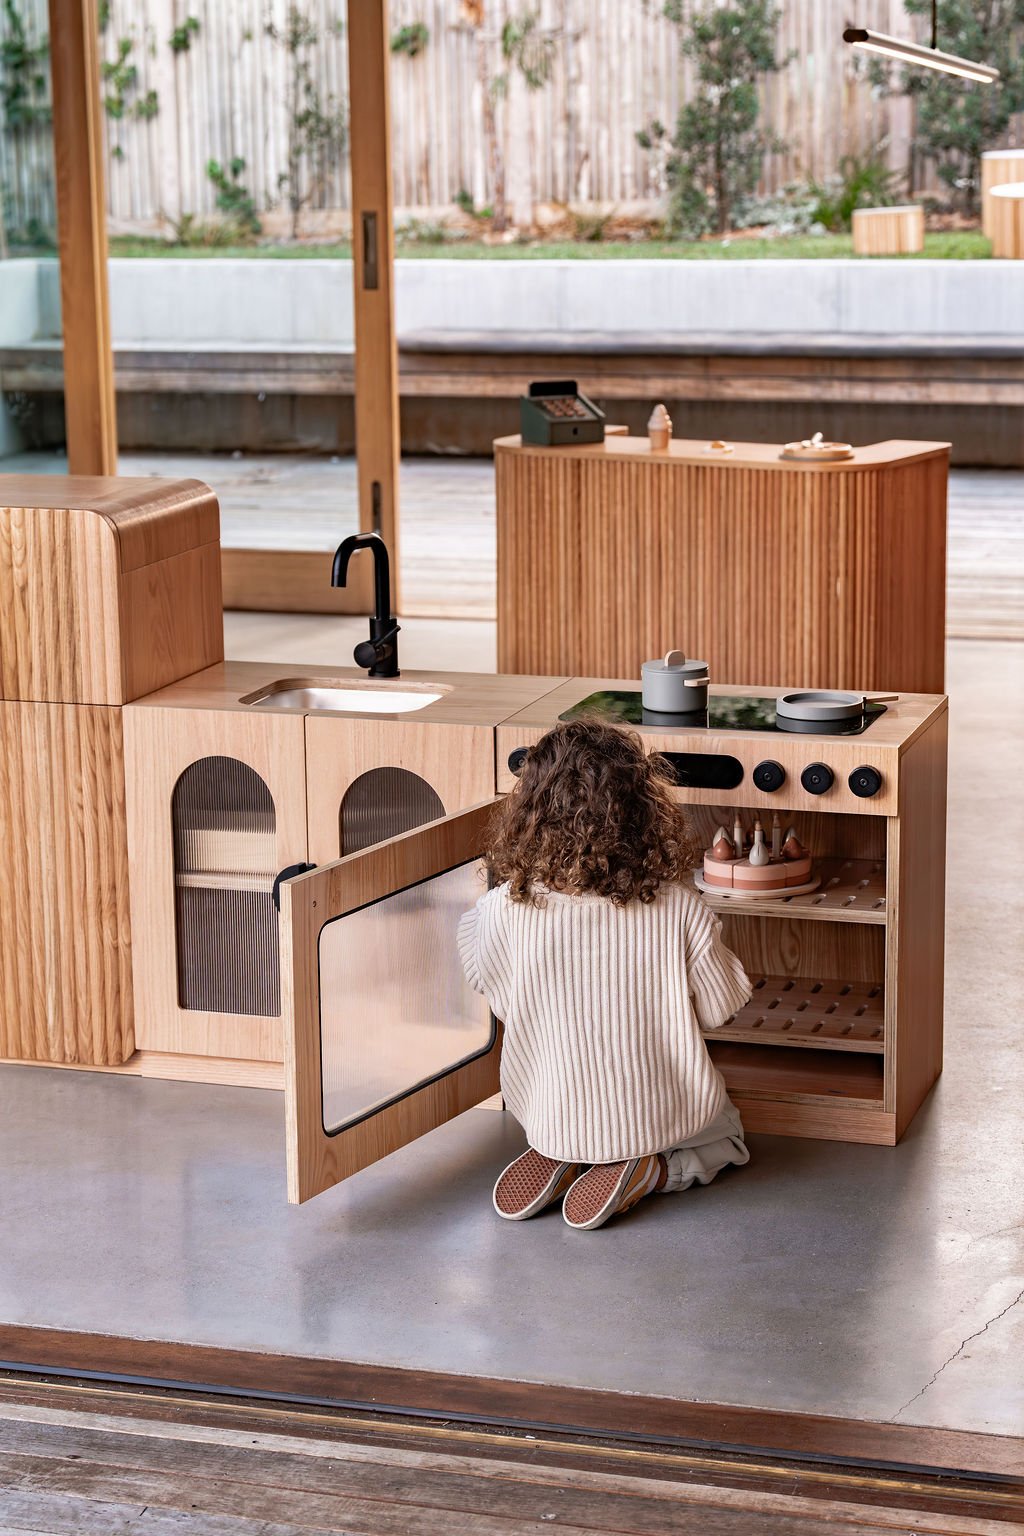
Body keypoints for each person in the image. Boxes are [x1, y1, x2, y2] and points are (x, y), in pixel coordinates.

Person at [457, 719, 751, 1232]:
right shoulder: (677, 908)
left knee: (566, 1096)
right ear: (642, 813)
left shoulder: (501, 909)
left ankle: (566, 1149)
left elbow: (485, 979)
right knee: (727, 1137)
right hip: (657, 1114)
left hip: (547, 1104)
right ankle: (655, 1167)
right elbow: (719, 1008)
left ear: (529, 811)